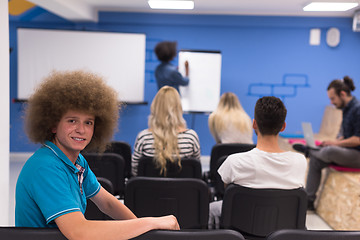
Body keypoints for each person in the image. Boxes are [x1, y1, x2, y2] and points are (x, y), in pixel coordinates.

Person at [15, 70, 179, 240]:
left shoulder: (76, 161)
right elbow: (79, 232)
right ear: (53, 125)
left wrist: (145, 232)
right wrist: (152, 223)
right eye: (72, 121)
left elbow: (107, 204)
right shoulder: (45, 167)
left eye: (88, 122)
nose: (81, 129)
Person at [208, 96, 307, 229]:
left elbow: (226, 191)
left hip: (242, 228)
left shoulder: (234, 161)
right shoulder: (300, 161)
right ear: (283, 126)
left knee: (211, 208)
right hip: (283, 230)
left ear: (254, 124)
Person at [293, 76, 360, 211]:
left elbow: (357, 140)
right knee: (315, 160)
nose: (331, 102)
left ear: (342, 94)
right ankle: (309, 201)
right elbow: (346, 136)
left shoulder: (358, 109)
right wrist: (334, 142)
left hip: (357, 154)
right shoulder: (346, 110)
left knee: (330, 151)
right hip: (348, 152)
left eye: (332, 98)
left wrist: (335, 145)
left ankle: (310, 150)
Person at [131, 86, 201, 176]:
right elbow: (196, 172)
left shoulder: (143, 138)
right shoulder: (191, 137)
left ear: (155, 107)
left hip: (149, 190)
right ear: (179, 108)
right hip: (183, 190)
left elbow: (136, 172)